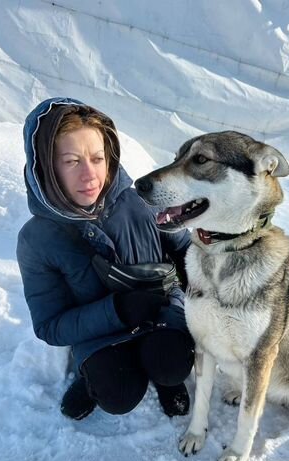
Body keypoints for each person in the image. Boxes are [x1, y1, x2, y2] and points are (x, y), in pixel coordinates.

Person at [17, 97, 194, 420]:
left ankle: (164, 378)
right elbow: (50, 326)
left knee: (172, 366)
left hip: (161, 313)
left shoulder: (141, 198)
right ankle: (90, 380)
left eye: (97, 158)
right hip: (99, 333)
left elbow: (185, 250)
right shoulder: (37, 240)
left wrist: (197, 291)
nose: (90, 176)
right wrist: (117, 311)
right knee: (118, 395)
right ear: (46, 165)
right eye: (71, 161)